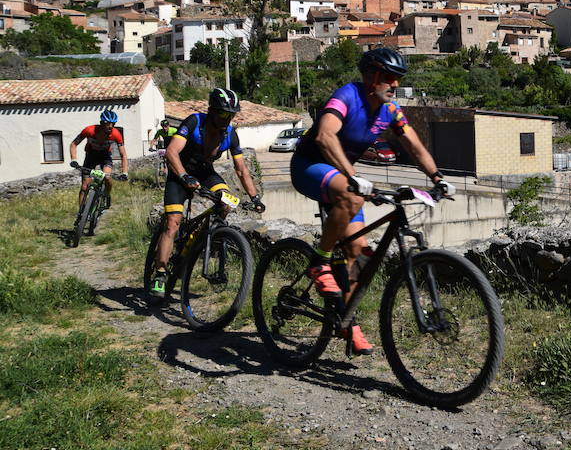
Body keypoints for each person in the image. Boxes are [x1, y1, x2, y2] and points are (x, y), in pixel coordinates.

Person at [290, 46, 455, 355]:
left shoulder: (390, 110)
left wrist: (437, 178)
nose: (395, 85)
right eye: (390, 78)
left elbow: (415, 146)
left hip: (341, 175)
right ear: (373, 77)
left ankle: (347, 321)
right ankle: (319, 263)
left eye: (398, 79)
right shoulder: (347, 96)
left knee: (356, 251)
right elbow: (325, 136)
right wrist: (353, 175)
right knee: (351, 196)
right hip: (309, 166)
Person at [149, 88, 265, 298]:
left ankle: (204, 238)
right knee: (173, 222)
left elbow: (241, 169)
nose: (226, 119)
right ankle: (160, 273)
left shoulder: (230, 134)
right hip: (180, 174)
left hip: (205, 174)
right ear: (211, 111)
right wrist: (184, 176)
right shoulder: (194, 122)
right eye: (222, 113)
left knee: (227, 202)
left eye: (231, 115)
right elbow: (172, 152)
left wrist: (254, 197)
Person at [69, 110, 129, 209]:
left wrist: (125, 172)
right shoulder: (89, 130)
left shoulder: (116, 134)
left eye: (113, 124)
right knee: (84, 186)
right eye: (108, 124)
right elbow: (73, 144)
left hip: (105, 156)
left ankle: (106, 195)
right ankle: (81, 213)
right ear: (101, 123)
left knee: (107, 177)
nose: (111, 126)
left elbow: (123, 155)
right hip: (91, 156)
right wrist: (73, 159)